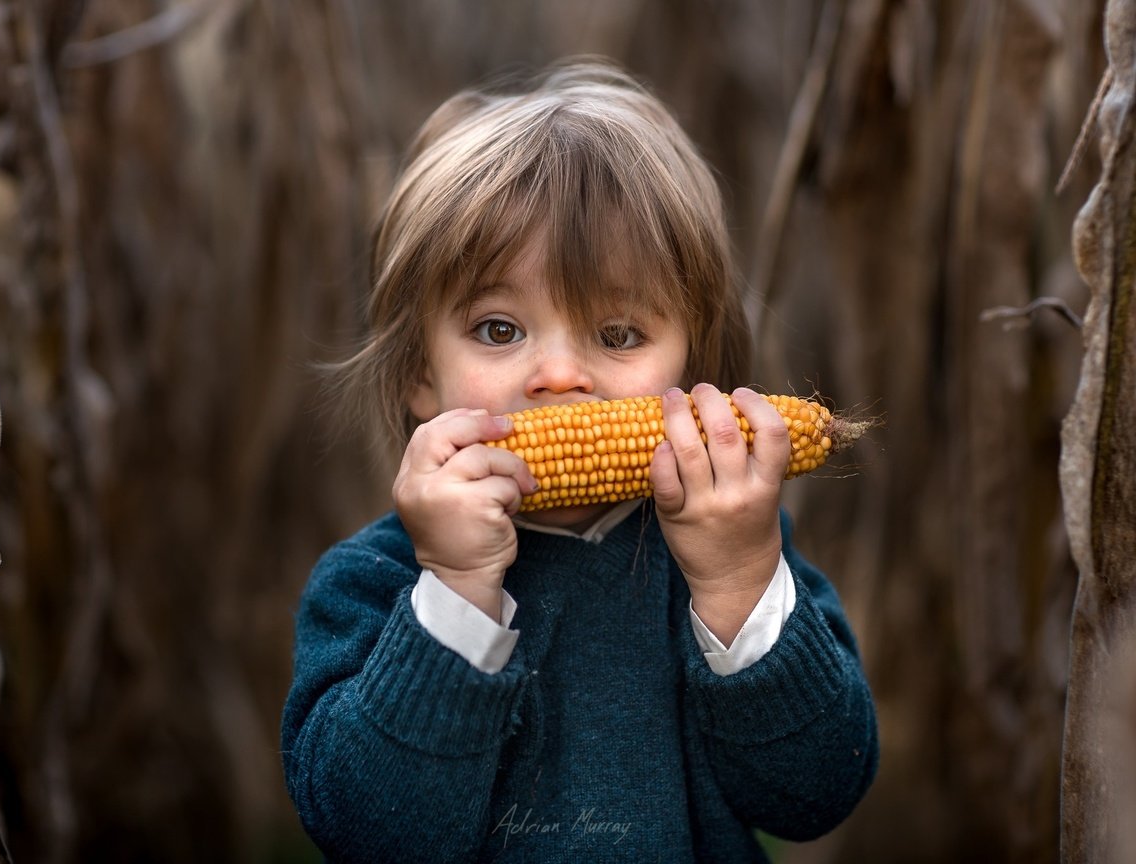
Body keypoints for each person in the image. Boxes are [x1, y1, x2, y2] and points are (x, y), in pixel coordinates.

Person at [281, 57, 877, 863]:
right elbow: (371, 833)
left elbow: (814, 793)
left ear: (692, 373)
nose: (560, 375)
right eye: (499, 329)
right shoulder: (373, 584)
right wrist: (454, 597)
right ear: (420, 373)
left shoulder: (731, 555)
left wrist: (738, 584)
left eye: (618, 334)